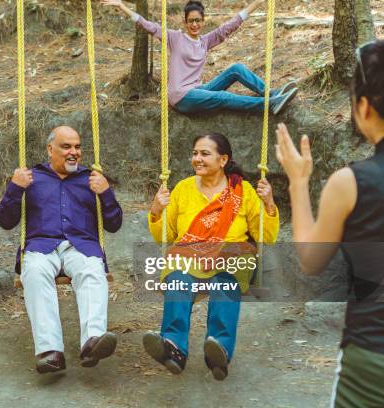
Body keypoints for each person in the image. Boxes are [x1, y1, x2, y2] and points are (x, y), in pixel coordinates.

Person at [275, 40, 384, 407]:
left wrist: (298, 181)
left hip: (372, 357)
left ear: (364, 108)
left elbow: (311, 259)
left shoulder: (351, 182)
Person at [146, 132, 279, 380]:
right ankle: (174, 348)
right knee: (178, 281)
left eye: (205, 153)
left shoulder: (244, 191)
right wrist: (156, 210)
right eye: (195, 153)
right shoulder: (183, 189)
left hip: (232, 253)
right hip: (189, 253)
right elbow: (165, 237)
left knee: (224, 284)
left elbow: (266, 237)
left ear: (223, 159)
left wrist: (269, 204)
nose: (197, 158)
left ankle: (218, 352)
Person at [0, 126, 123, 373]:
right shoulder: (31, 177)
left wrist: (105, 193)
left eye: (77, 146)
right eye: (66, 147)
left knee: (92, 270)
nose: (73, 152)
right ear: (50, 149)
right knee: (33, 272)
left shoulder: (93, 180)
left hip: (81, 247)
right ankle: (49, 351)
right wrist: (15, 188)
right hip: (42, 247)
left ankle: (93, 342)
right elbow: (5, 221)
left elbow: (114, 224)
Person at [102, 0, 298, 115]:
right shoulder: (175, 38)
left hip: (197, 90)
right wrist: (121, 6)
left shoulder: (206, 41)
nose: (194, 24)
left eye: (198, 20)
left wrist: (257, 3)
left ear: (203, 22)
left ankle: (270, 93)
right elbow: (148, 25)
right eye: (190, 21)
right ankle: (268, 106)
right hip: (181, 97)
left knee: (236, 69)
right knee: (223, 97)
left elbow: (229, 26)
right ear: (185, 22)